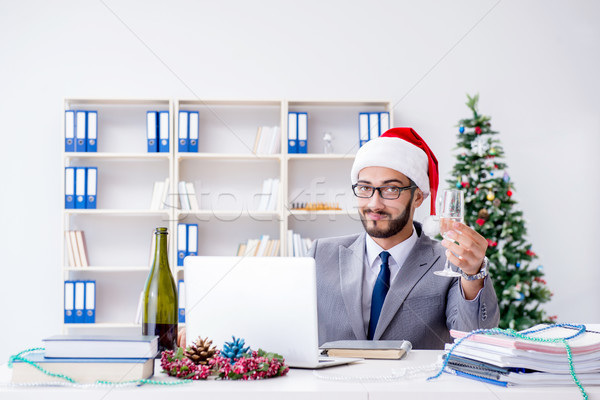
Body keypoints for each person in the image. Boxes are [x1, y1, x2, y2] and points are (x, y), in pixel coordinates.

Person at [309, 127, 499, 349]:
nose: (374, 204)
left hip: (415, 383)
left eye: (391, 189)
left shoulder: (449, 260)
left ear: (418, 196)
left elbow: (471, 339)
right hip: (334, 383)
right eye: (364, 188)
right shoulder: (320, 254)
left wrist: (473, 275)